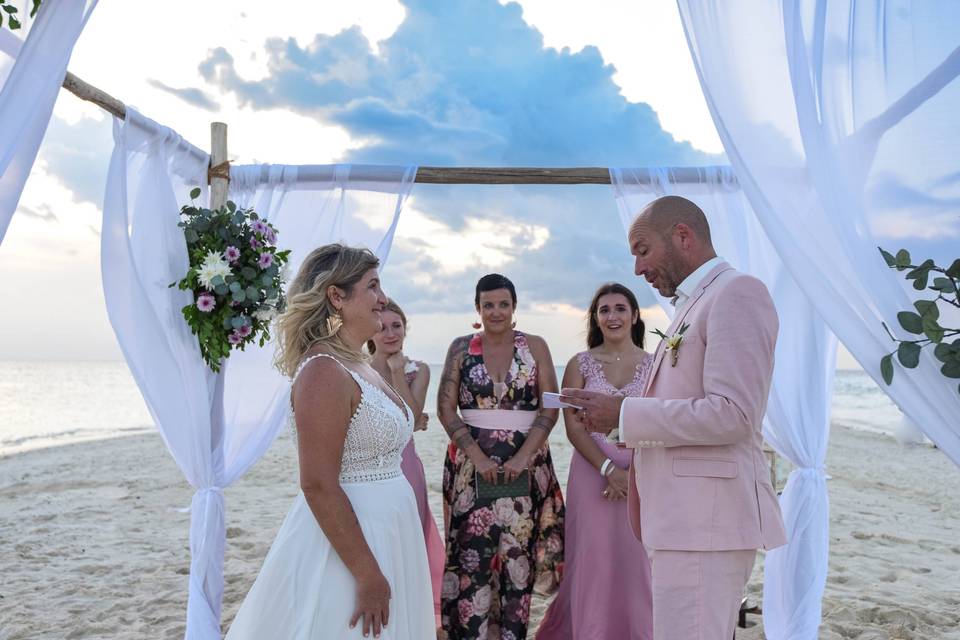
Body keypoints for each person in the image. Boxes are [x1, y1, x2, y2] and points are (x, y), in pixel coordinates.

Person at [561, 196, 787, 640]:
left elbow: (734, 414)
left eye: (643, 250)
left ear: (682, 236)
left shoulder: (736, 293)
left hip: (705, 525)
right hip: (682, 522)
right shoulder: (694, 304)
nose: (638, 269)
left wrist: (624, 414)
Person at [226, 244, 434, 640]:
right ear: (336, 296)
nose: (383, 299)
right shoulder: (323, 371)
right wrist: (367, 573)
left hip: (392, 529)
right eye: (372, 286)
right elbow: (317, 482)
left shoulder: (358, 364)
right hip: (354, 544)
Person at [437, 273, 565, 640]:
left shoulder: (536, 346)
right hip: (470, 470)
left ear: (514, 307)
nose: (496, 311)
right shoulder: (460, 348)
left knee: (516, 560)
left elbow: (550, 406)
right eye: (488, 304)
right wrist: (477, 457)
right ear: (477, 309)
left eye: (503, 304)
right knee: (471, 558)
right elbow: (446, 409)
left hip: (525, 468)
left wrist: (522, 457)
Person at [536, 283, 653, 640]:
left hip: (642, 476)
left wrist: (630, 475)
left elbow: (663, 419)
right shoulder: (580, 364)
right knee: (593, 559)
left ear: (634, 315)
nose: (612, 316)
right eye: (604, 310)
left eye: (620, 308)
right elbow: (573, 427)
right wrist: (608, 470)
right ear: (595, 318)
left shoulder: (656, 364)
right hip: (592, 476)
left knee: (638, 562)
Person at [368, 299, 446, 626]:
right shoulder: (358, 368)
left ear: (405, 328)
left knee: (409, 539)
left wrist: (398, 372)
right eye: (382, 327)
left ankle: (410, 616)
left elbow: (412, 419)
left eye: (396, 326)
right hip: (369, 468)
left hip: (407, 466)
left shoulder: (419, 370)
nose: (390, 333)